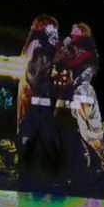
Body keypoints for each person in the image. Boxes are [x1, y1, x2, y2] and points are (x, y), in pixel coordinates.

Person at [15, 14, 67, 186]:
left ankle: (35, 168)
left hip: (39, 89)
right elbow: (35, 68)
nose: (54, 31)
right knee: (34, 128)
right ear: (43, 27)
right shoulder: (37, 43)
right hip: (34, 90)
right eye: (50, 27)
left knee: (38, 128)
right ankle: (32, 167)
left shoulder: (44, 44)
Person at [53, 22, 104, 181]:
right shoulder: (71, 49)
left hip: (81, 94)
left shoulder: (89, 52)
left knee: (82, 130)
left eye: (75, 31)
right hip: (68, 94)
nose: (71, 33)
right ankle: (70, 167)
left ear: (82, 33)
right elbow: (58, 62)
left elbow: (74, 65)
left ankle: (92, 165)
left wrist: (66, 51)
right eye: (71, 30)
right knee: (65, 128)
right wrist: (62, 47)